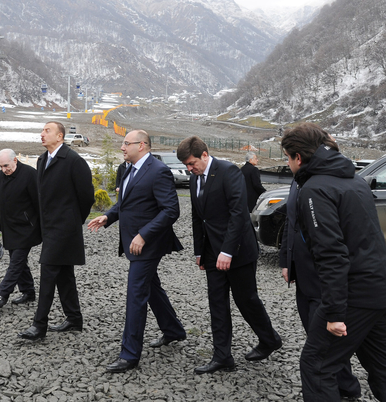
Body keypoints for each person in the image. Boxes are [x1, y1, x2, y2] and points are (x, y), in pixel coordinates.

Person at [281, 123, 386, 401]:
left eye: (287, 158)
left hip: (353, 294)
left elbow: (332, 254)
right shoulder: (355, 180)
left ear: (298, 158)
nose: (288, 164)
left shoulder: (315, 189)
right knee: (381, 366)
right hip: (378, 288)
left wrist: (334, 313)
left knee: (317, 366)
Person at [176, 136, 282, 374]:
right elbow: (197, 217)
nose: (189, 169)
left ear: (204, 154)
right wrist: (199, 251)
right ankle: (222, 356)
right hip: (212, 252)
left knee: (246, 300)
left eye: (192, 163)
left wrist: (227, 251)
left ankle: (270, 339)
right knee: (217, 303)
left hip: (238, 251)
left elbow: (238, 213)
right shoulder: (195, 179)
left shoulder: (228, 171)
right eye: (186, 166)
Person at [89, 130, 185, 372]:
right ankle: (173, 330)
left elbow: (171, 210)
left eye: (126, 143)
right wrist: (108, 216)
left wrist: (144, 234)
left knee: (136, 295)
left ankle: (129, 354)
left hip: (149, 244)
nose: (122, 147)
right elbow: (125, 203)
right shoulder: (127, 169)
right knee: (150, 287)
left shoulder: (158, 171)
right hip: (133, 240)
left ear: (141, 145)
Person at [279, 177, 361, 399]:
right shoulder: (298, 180)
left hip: (324, 277)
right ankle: (345, 386)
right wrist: (286, 260)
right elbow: (291, 220)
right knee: (316, 336)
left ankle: (344, 387)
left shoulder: (327, 183)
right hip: (303, 275)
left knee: (324, 345)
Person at [18, 121, 94, 341]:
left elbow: (86, 197)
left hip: (65, 229)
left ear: (60, 136)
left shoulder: (73, 161)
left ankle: (39, 325)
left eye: (47, 131)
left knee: (48, 273)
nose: (42, 134)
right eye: (41, 130)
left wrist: (73, 221)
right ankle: (74, 318)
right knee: (64, 275)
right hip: (49, 228)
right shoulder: (42, 160)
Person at [0, 149, 42, 308]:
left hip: (27, 227)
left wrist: (43, 226)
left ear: (15, 161)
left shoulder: (30, 174)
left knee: (16, 262)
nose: (4, 169)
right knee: (18, 261)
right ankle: (29, 292)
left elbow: (39, 202)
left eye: (6, 165)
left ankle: (2, 293)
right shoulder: (0, 176)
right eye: (0, 166)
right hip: (9, 227)